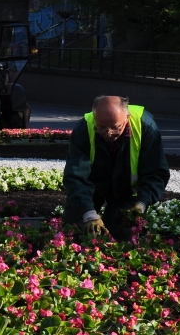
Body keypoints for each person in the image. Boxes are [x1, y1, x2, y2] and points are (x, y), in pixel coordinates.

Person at [63, 95, 170, 239]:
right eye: (101, 128)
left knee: (126, 230)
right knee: (74, 230)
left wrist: (141, 204)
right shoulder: (84, 129)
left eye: (115, 127)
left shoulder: (146, 127)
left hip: (127, 190)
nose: (108, 133)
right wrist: (88, 214)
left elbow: (156, 173)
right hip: (92, 186)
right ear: (95, 118)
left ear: (127, 118)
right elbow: (75, 177)